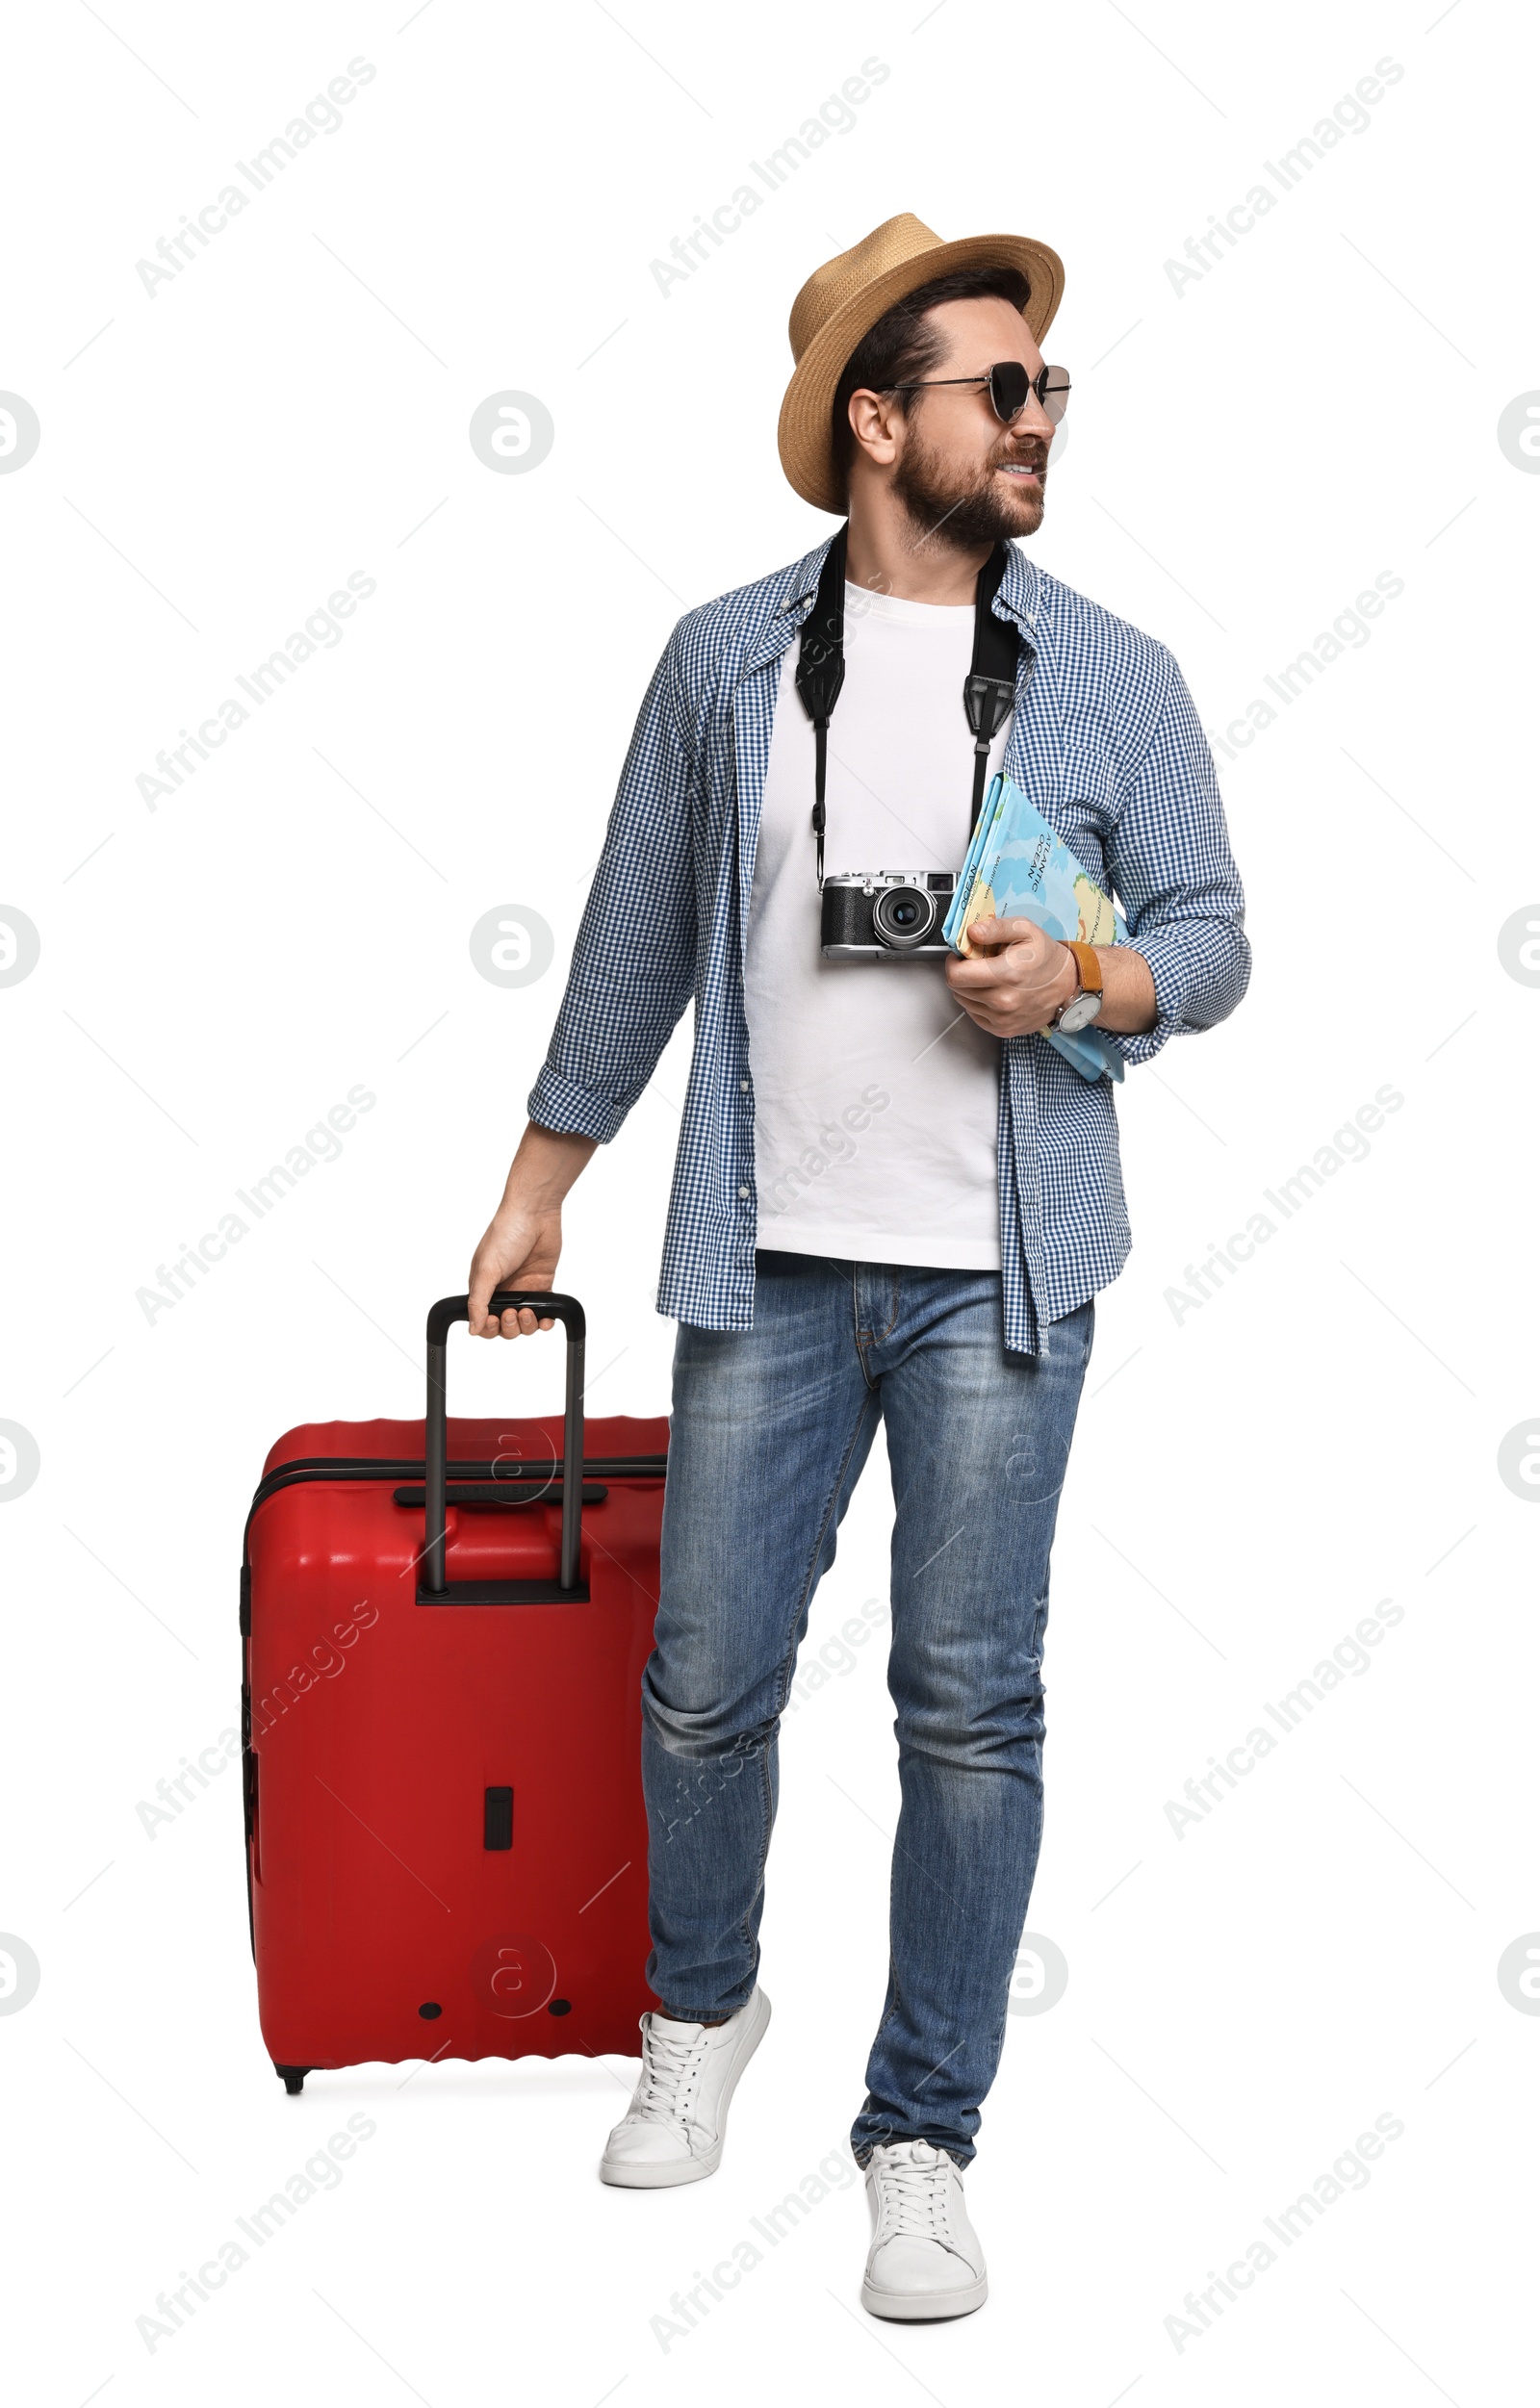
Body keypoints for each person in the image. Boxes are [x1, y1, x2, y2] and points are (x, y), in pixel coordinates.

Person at [467, 212, 1249, 2321]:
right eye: (1001, 389)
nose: (1037, 421)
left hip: (999, 1285)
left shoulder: (1109, 673)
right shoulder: (724, 658)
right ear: (876, 420)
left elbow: (1208, 939)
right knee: (703, 1684)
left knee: (965, 1714)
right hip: (764, 1262)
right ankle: (702, 2010)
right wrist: (542, 1178)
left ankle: (922, 2133)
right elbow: (634, 935)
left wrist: (1082, 971)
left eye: (1048, 389)